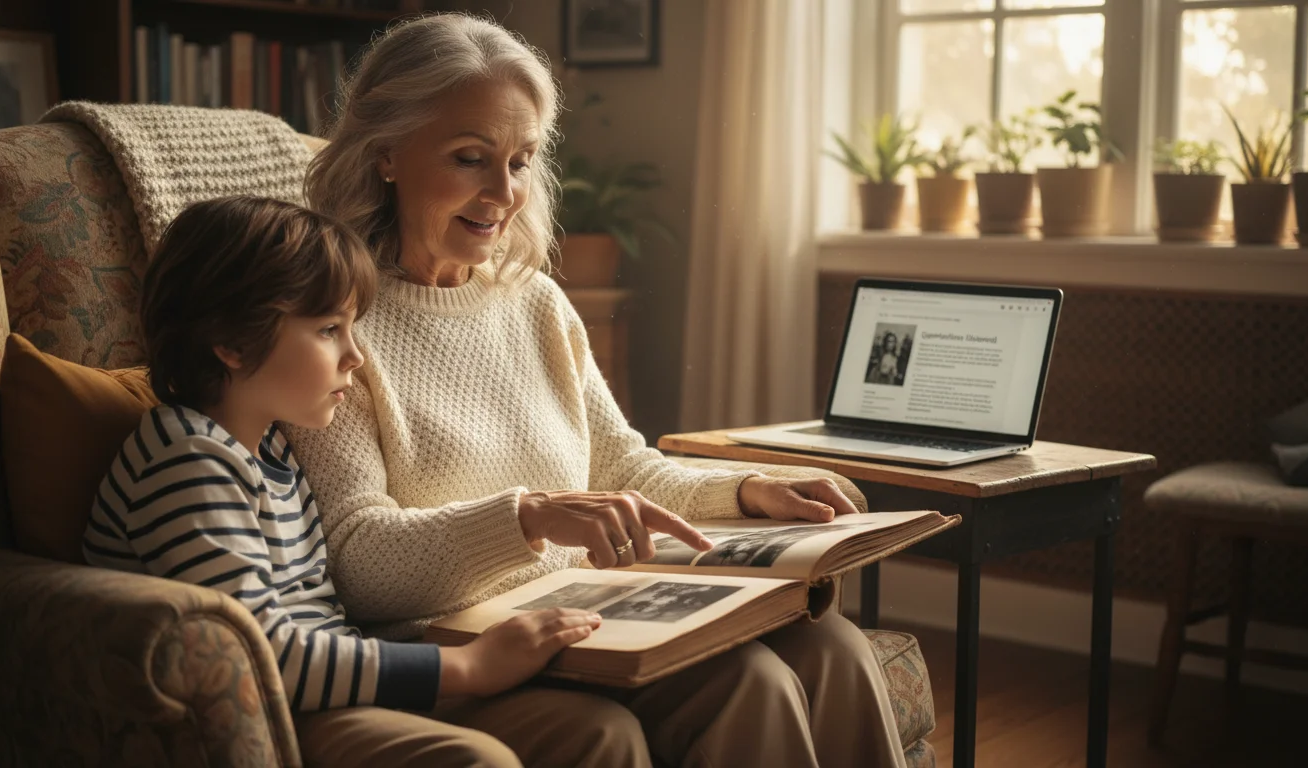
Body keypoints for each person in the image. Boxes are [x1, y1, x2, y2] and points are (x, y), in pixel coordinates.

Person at [293, 12, 907, 768]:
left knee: (832, 648)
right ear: (386, 152)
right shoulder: (333, 328)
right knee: (745, 682)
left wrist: (750, 491)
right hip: (452, 638)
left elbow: (622, 470)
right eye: (469, 158)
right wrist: (530, 518)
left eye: (520, 161)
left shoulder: (535, 303)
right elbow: (358, 560)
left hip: (584, 611)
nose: (503, 193)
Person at [82, 196, 633, 768]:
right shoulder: (187, 460)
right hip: (287, 718)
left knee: (595, 731)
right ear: (232, 342)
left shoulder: (268, 445)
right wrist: (467, 667)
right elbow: (256, 655)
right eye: (328, 330)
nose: (356, 356)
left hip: (342, 687)